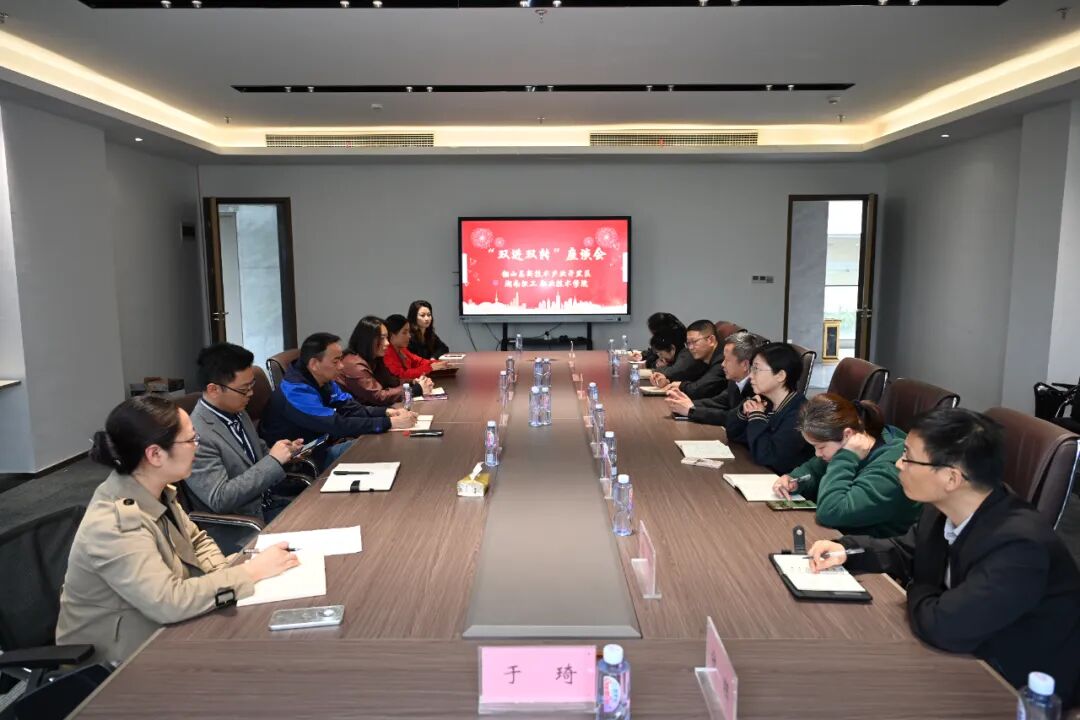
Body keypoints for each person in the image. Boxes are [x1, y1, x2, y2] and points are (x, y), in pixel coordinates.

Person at [808, 409, 1080, 709]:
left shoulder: (1019, 545)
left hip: (1015, 690)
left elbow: (944, 626)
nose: (898, 464)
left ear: (951, 478)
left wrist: (920, 586)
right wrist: (847, 550)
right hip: (964, 656)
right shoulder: (942, 509)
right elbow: (906, 551)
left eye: (908, 458)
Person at [56, 396, 299, 666]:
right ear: (155, 454)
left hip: (164, 627)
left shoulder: (157, 489)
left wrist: (225, 574)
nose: (198, 446)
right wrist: (250, 573)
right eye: (191, 440)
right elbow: (169, 602)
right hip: (117, 663)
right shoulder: (113, 524)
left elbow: (197, 540)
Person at [186, 343, 305, 523]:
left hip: (270, 503)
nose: (250, 393)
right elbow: (220, 499)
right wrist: (273, 461)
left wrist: (286, 453)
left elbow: (257, 454)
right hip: (245, 523)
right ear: (213, 389)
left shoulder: (237, 410)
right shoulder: (196, 435)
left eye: (252, 385)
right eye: (244, 389)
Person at [260, 332, 416, 468]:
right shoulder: (296, 391)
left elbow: (352, 409)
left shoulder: (324, 379)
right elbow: (337, 425)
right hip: (302, 462)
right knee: (381, 447)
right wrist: (389, 423)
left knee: (386, 442)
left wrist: (388, 413)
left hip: (322, 447)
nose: (341, 366)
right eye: (335, 361)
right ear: (314, 364)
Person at [772, 393, 919, 537]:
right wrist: (795, 479)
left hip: (876, 547)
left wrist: (847, 457)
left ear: (847, 434)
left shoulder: (893, 469)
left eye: (821, 447)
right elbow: (815, 469)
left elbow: (830, 512)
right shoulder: (859, 438)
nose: (817, 454)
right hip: (843, 536)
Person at [725, 342, 812, 474]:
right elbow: (733, 434)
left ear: (780, 376)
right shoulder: (764, 401)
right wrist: (743, 412)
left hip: (783, 481)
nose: (750, 376)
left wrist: (757, 417)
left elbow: (768, 457)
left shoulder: (799, 413)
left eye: (756, 369)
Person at [666, 331, 762, 425]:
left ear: (745, 365)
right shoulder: (734, 381)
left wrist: (691, 410)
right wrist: (686, 403)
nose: (722, 364)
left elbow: (731, 417)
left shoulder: (757, 389)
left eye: (727, 360)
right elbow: (717, 402)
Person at [343, 316, 433, 406]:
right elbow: (379, 396)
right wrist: (416, 389)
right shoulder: (354, 364)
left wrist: (413, 382)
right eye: (382, 338)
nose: (387, 343)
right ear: (367, 340)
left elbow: (391, 381)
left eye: (387, 338)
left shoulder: (374, 358)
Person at [650, 320, 726, 399]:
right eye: (688, 343)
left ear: (711, 340)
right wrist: (667, 381)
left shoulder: (722, 359)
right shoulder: (704, 358)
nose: (690, 348)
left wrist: (680, 386)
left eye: (694, 342)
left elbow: (699, 389)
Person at [383, 314, 448, 381]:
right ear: (391, 335)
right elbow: (402, 375)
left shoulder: (402, 349)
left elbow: (419, 361)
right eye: (404, 332)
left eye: (408, 332)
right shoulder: (386, 352)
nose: (409, 336)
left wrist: (442, 363)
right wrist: (430, 367)